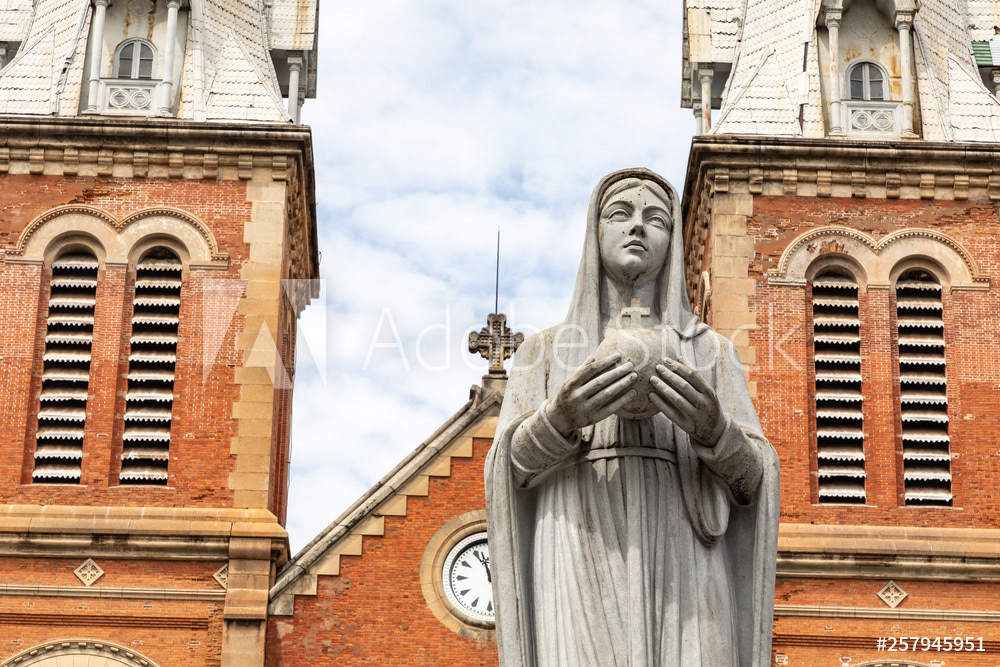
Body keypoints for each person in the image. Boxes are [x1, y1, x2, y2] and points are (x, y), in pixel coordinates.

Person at [486, 168, 780, 666]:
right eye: (620, 214)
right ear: (594, 231)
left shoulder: (711, 352)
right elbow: (507, 468)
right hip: (578, 537)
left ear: (674, 241)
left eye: (657, 219)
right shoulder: (544, 351)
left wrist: (715, 431)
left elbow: (755, 479)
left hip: (685, 549)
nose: (637, 226)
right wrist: (560, 417)